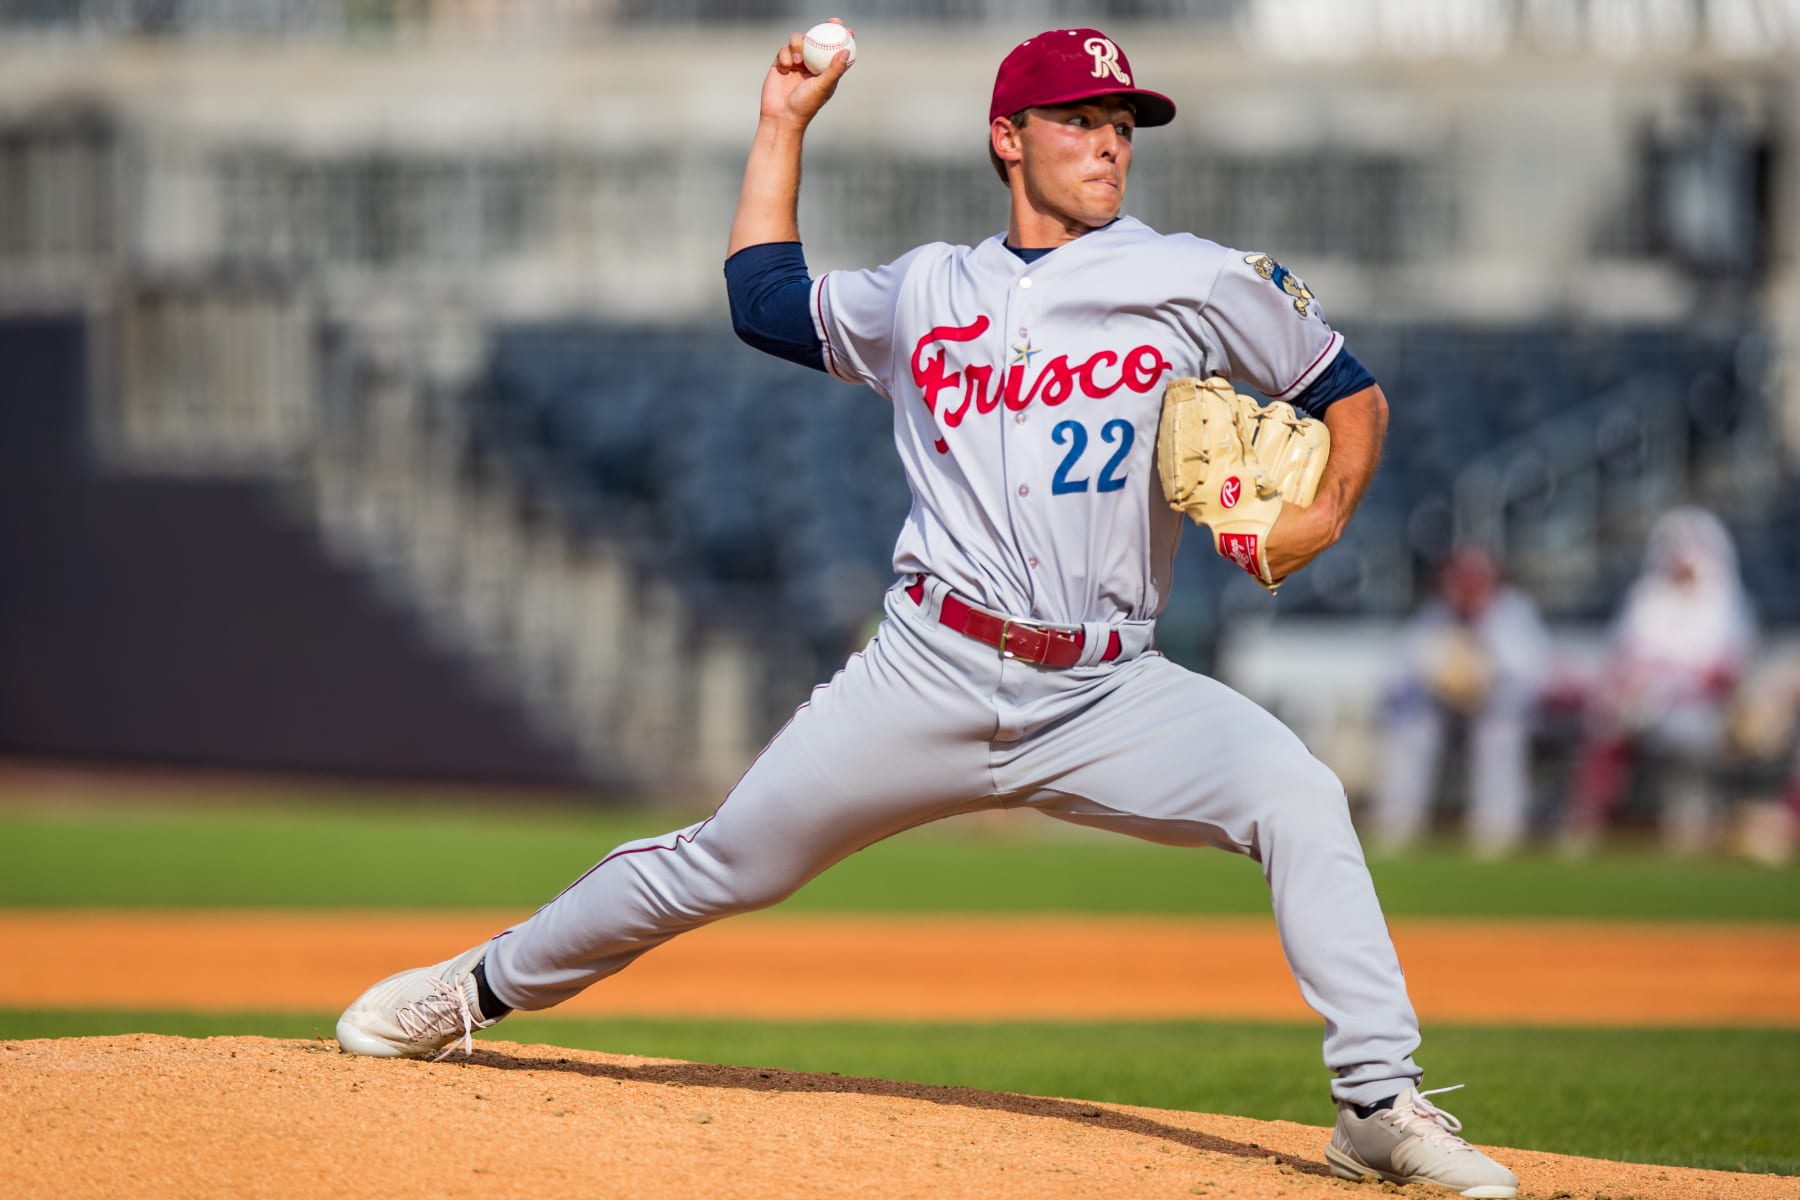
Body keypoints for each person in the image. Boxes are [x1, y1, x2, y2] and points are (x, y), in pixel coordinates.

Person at [336, 25, 1518, 1198]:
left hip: (1109, 688)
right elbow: (762, 300)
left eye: (1122, 125)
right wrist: (781, 124)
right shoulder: (924, 289)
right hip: (927, 672)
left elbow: (1345, 390)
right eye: (1079, 121)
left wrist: (1326, 516)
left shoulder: (1196, 275)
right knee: (719, 865)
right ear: (1008, 138)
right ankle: (473, 989)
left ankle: (1374, 1106)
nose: (1109, 145)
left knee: (1296, 794)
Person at [1562, 506, 1757, 854]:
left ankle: (1688, 827)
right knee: (1607, 723)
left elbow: (1724, 674)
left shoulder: (1725, 603)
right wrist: (1637, 690)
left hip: (1698, 711)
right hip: (1642, 707)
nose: (1681, 568)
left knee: (1691, 737)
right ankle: (1585, 820)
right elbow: (1623, 659)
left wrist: (1671, 684)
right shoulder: (1647, 598)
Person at [1371, 547, 1551, 857]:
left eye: (1474, 582)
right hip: (1438, 707)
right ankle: (1396, 824)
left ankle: (1496, 831)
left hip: (1497, 706)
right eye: (1460, 581)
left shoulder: (1513, 613)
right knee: (1411, 731)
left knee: (1500, 736)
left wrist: (1482, 672)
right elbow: (1398, 672)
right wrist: (1438, 677)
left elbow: (1535, 674)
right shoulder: (1434, 613)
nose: (1465, 590)